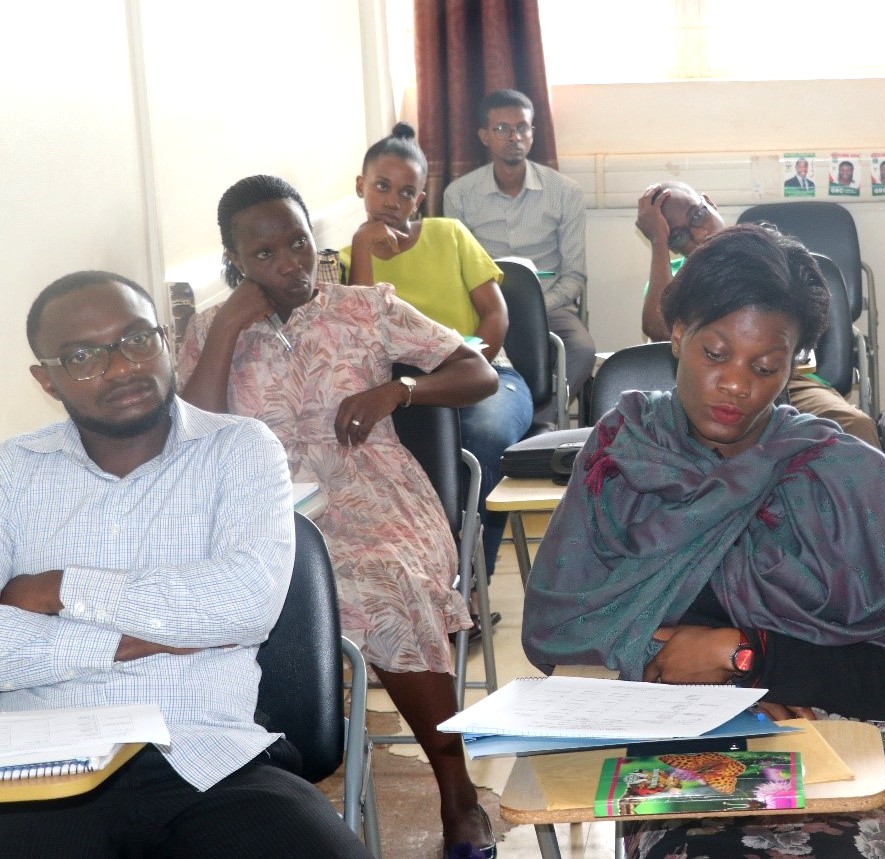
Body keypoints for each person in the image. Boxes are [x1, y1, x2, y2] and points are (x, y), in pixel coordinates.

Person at [523, 224, 885, 859]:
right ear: (677, 334)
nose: (737, 385)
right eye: (715, 354)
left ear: (795, 363)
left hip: (864, 738)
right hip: (684, 735)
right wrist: (718, 700)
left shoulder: (845, 478)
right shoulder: (624, 455)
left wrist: (742, 656)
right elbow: (566, 635)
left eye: (766, 366)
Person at [178, 175, 498, 857]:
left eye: (297, 240)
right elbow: (190, 435)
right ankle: (249, 789)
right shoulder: (210, 328)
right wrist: (231, 326)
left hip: (374, 494)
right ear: (234, 261)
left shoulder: (365, 307)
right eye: (265, 254)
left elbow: (479, 372)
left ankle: (456, 790)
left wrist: (403, 388)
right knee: (208, 594)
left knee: (386, 580)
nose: (290, 261)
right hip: (261, 506)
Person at [0, 271, 369, 856]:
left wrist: (59, 591)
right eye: (83, 355)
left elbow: (243, 603)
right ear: (47, 379)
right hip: (38, 769)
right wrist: (148, 635)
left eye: (136, 339)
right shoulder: (9, 473)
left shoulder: (241, 450)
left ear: (166, 340)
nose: (121, 367)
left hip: (207, 757)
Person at [341, 122, 533, 577]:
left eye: (407, 193)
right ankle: (420, 576)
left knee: (482, 440)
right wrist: (363, 247)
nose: (392, 201)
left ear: (420, 199)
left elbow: (495, 317)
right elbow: (362, 336)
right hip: (402, 394)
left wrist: (466, 369)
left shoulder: (449, 234)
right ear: (360, 187)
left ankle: (469, 580)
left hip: (487, 378)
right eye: (382, 187)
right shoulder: (345, 261)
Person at [636, 181, 881, 447]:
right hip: (709, 387)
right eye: (679, 236)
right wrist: (658, 241)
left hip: (792, 382)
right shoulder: (677, 278)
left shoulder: (773, 257)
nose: (699, 233)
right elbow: (657, 326)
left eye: (698, 215)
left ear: (710, 203)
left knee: (855, 426)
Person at [444, 88, 593, 421]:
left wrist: (538, 308)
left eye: (522, 128)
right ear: (484, 135)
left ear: (532, 133)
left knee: (582, 350)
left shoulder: (565, 192)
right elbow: (457, 271)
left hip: (550, 305)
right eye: (502, 129)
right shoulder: (460, 195)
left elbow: (574, 275)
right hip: (484, 307)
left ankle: (540, 416)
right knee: (453, 353)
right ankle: (502, 409)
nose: (514, 136)